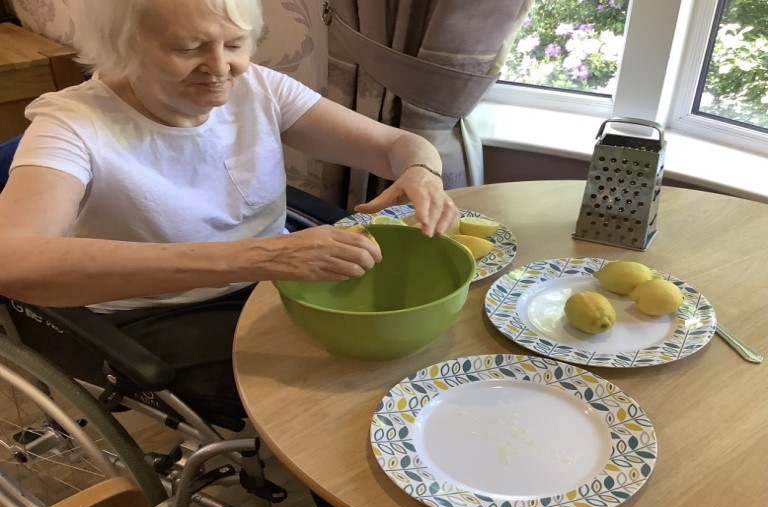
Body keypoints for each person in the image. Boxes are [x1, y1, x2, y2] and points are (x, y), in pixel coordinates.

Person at [0, 0, 459, 423]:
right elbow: (13, 260)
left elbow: (397, 145)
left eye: (235, 44)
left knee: (401, 348)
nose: (221, 68)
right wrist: (262, 256)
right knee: (337, 395)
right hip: (158, 311)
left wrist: (422, 171)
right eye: (187, 48)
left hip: (272, 281)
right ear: (124, 47)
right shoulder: (71, 127)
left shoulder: (258, 87)